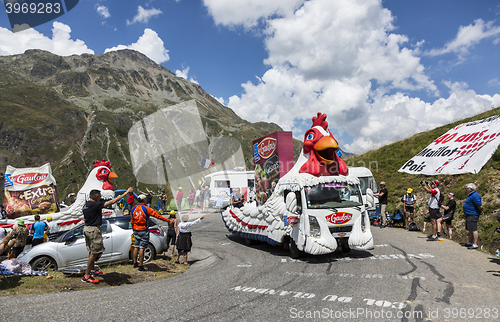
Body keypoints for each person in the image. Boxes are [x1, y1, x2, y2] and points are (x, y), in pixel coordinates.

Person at [82, 187, 132, 284]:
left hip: (87, 228)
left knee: (92, 251)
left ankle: (92, 270)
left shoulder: (87, 204)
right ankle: (87, 275)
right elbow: (111, 202)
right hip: (93, 229)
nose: (100, 198)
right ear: (96, 197)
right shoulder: (95, 204)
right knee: (95, 252)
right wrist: (125, 193)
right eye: (99, 197)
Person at [131, 194, 170, 271]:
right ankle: (141, 265)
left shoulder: (133, 209)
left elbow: (132, 221)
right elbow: (156, 215)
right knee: (142, 247)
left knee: (136, 246)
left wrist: (133, 229)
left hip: (136, 229)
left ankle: (135, 263)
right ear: (144, 200)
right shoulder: (146, 208)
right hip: (143, 229)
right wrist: (167, 220)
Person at [462, 183, 483, 250]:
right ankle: (470, 242)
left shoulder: (475, 195)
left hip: (473, 214)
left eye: (466, 188)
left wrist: (480, 211)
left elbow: (479, 205)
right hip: (469, 213)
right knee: (470, 229)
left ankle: (475, 243)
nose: (465, 190)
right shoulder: (470, 195)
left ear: (470, 189)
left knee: (473, 229)